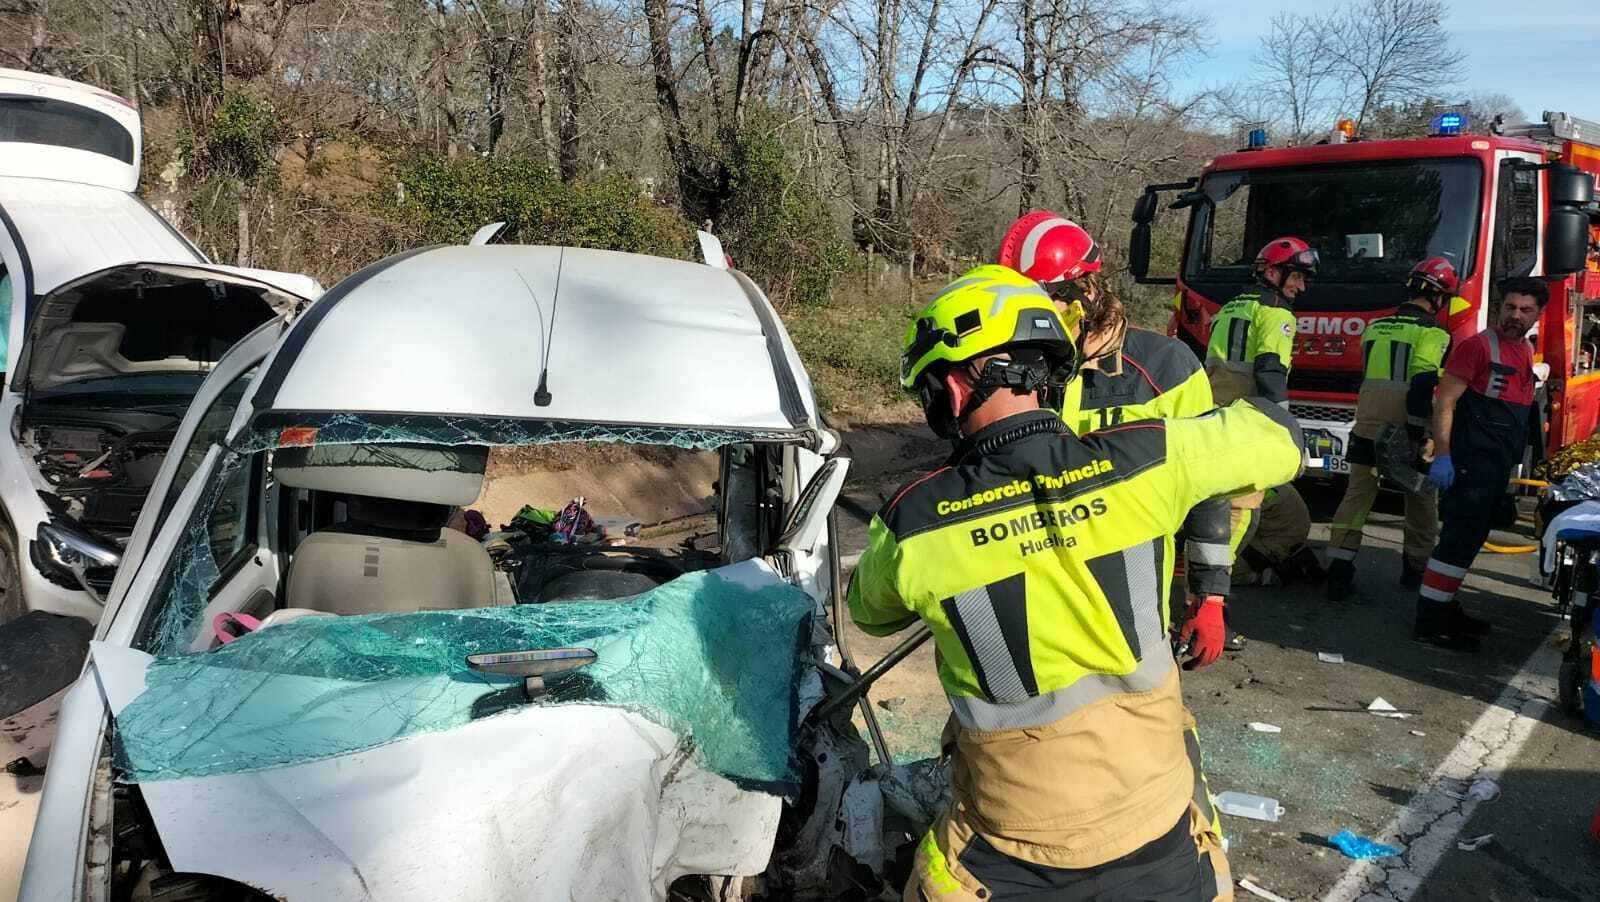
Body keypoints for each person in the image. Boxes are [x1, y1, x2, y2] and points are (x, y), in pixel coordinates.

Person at [849, 265, 1304, 900]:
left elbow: (869, 614)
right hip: (1163, 845)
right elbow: (1283, 440)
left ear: (953, 388)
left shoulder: (913, 523)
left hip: (1010, 857)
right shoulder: (1146, 458)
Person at [1413, 277, 1549, 651]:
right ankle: (1430, 623)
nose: (1514, 316)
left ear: (1539, 314)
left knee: (1471, 539)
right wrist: (1442, 455)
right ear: (1499, 307)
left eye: (1525, 310)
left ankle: (1445, 604)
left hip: (1494, 466)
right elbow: (1445, 403)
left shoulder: (1523, 351)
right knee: (1457, 541)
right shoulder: (1477, 347)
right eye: (1509, 307)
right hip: (1471, 463)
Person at [1325, 258, 1458, 599]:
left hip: (1367, 426)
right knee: (1421, 498)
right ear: (1439, 298)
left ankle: (1338, 570)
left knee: (1356, 498)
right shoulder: (1433, 334)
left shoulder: (1374, 328)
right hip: (1405, 429)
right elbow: (1421, 385)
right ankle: (1416, 573)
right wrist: (1417, 433)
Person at [1204, 237, 1323, 584]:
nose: (1301, 287)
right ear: (1272, 272)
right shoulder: (1275, 312)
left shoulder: (1229, 308)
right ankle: (1213, 592)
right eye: (1297, 276)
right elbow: (1270, 374)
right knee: (1250, 515)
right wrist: (1290, 437)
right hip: (1245, 429)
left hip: (1212, 422)